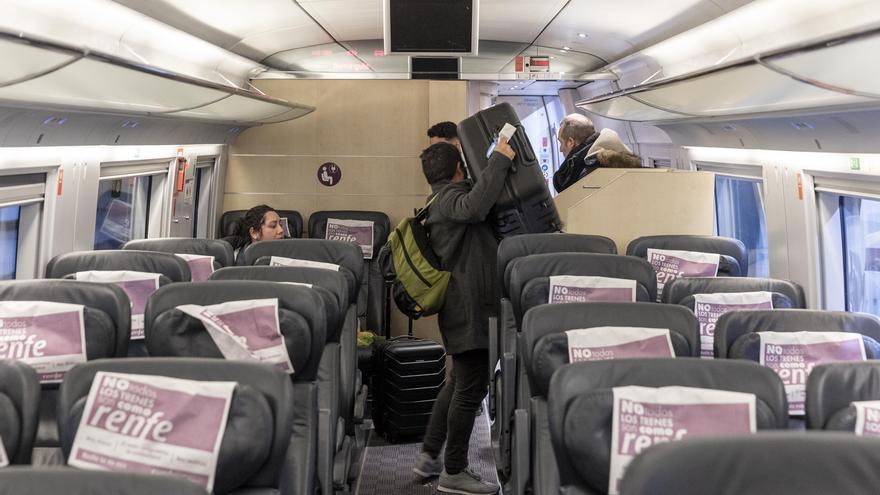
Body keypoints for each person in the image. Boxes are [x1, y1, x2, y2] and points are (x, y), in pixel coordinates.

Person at [411, 138, 515, 495]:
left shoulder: (437, 200)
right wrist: (500, 159)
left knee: (458, 384)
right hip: (471, 309)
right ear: (459, 169)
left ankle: (429, 456)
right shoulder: (451, 201)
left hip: (464, 306)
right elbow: (475, 205)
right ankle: (454, 471)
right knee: (470, 391)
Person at [553, 115, 642, 192]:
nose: (561, 149)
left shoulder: (588, 173)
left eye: (560, 142)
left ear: (570, 142)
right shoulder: (621, 159)